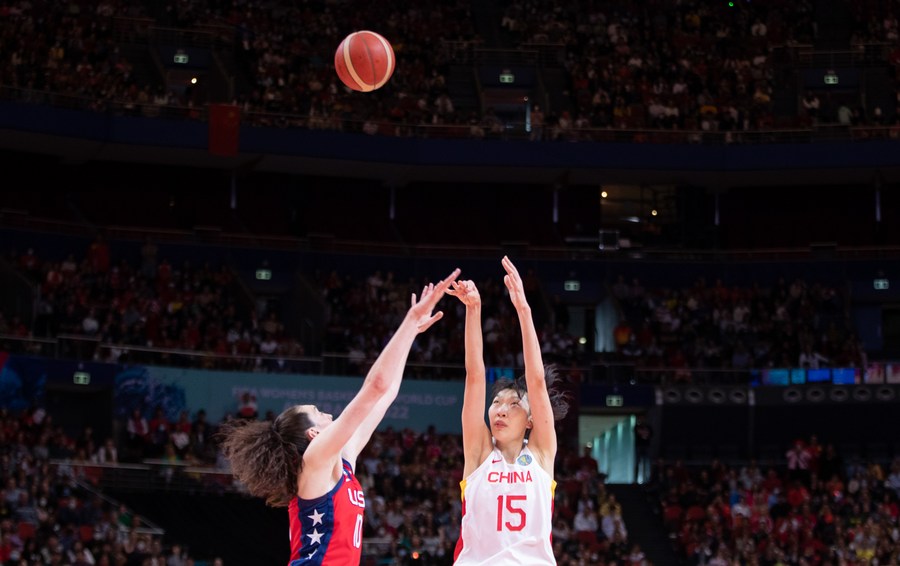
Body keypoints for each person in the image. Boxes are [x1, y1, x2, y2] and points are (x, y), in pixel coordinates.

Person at [219, 267, 460, 565]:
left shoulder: (340, 462)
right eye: (318, 413)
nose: (329, 413)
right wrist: (408, 322)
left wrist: (412, 332)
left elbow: (385, 395)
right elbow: (375, 386)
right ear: (313, 435)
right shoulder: (314, 462)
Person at [449, 256, 569, 565]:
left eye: (513, 404)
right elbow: (475, 375)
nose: (500, 411)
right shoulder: (478, 454)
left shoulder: (542, 456)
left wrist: (523, 309)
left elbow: (537, 381)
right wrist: (473, 309)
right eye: (497, 403)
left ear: (531, 421)